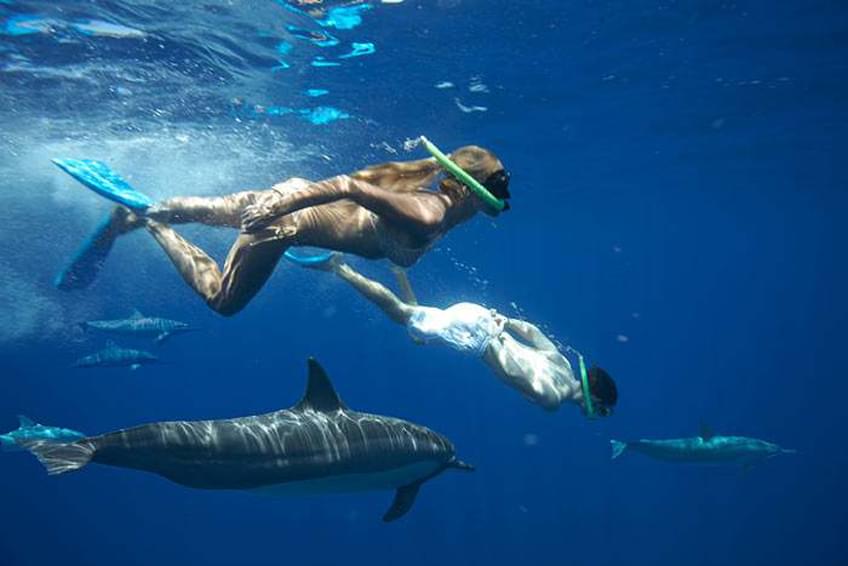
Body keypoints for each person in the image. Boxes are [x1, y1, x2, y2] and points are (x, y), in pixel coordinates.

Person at [58, 142, 511, 316]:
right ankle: (149, 222)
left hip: (291, 201)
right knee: (223, 301)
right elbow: (349, 186)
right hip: (285, 219)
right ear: (470, 193)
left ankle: (140, 213)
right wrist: (283, 205)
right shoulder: (430, 213)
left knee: (211, 210)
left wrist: (285, 197)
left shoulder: (438, 210)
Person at [299, 254, 617, 416]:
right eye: (602, 411)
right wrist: (489, 340)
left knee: (418, 330)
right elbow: (510, 370)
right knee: (400, 314)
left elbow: (531, 331)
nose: (597, 415)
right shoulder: (552, 399)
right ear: (596, 400)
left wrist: (502, 322)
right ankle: (340, 268)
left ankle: (398, 269)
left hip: (481, 317)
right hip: (476, 338)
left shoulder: (560, 361)